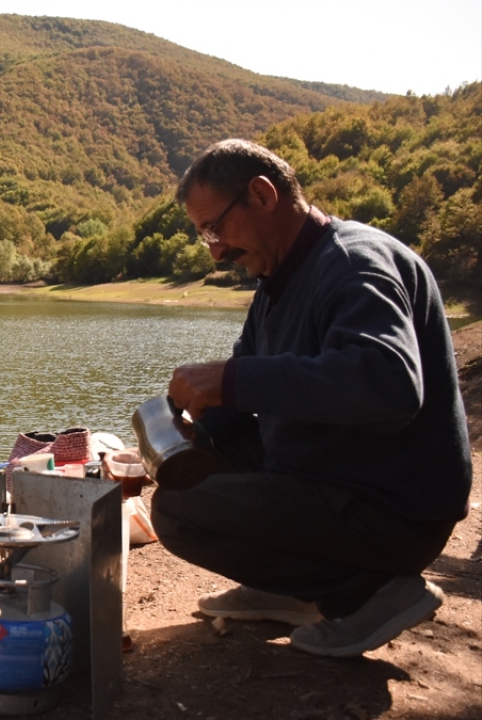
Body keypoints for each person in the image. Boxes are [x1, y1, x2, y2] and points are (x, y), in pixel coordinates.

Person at [154, 138, 473, 658]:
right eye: (203, 236)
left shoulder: (354, 264)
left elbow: (389, 383)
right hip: (335, 471)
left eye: (214, 228)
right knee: (186, 471)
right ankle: (294, 585)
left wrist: (230, 380)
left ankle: (369, 591)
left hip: (392, 508)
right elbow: (246, 391)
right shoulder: (277, 280)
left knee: (177, 512)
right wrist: (180, 439)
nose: (214, 249)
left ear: (262, 195)